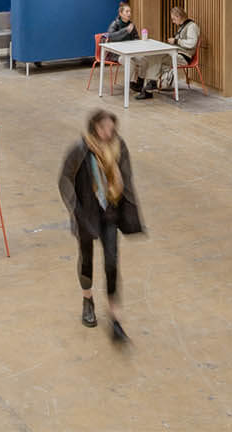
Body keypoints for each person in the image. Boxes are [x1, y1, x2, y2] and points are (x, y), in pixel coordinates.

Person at [58, 109, 143, 343]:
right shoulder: (80, 148)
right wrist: (74, 207)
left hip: (110, 211)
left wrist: (128, 205)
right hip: (86, 212)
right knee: (86, 259)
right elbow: (64, 178)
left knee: (112, 261)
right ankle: (88, 300)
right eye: (104, 127)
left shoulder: (119, 146)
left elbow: (126, 176)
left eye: (111, 128)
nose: (108, 132)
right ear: (94, 127)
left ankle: (114, 313)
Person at [136, 6, 200, 99]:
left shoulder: (192, 26)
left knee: (156, 58)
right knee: (154, 56)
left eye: (174, 19)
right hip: (176, 53)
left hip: (184, 57)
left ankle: (149, 84)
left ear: (178, 16)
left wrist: (176, 41)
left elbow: (191, 43)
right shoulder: (183, 26)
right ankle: (151, 84)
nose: (173, 22)